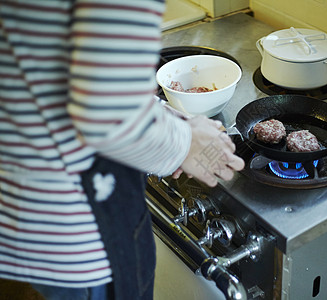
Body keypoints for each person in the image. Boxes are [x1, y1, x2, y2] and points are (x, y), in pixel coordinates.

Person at [0, 1, 244, 299]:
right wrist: (185, 143)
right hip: (73, 237)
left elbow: (54, 70)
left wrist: (169, 121)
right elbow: (105, 111)